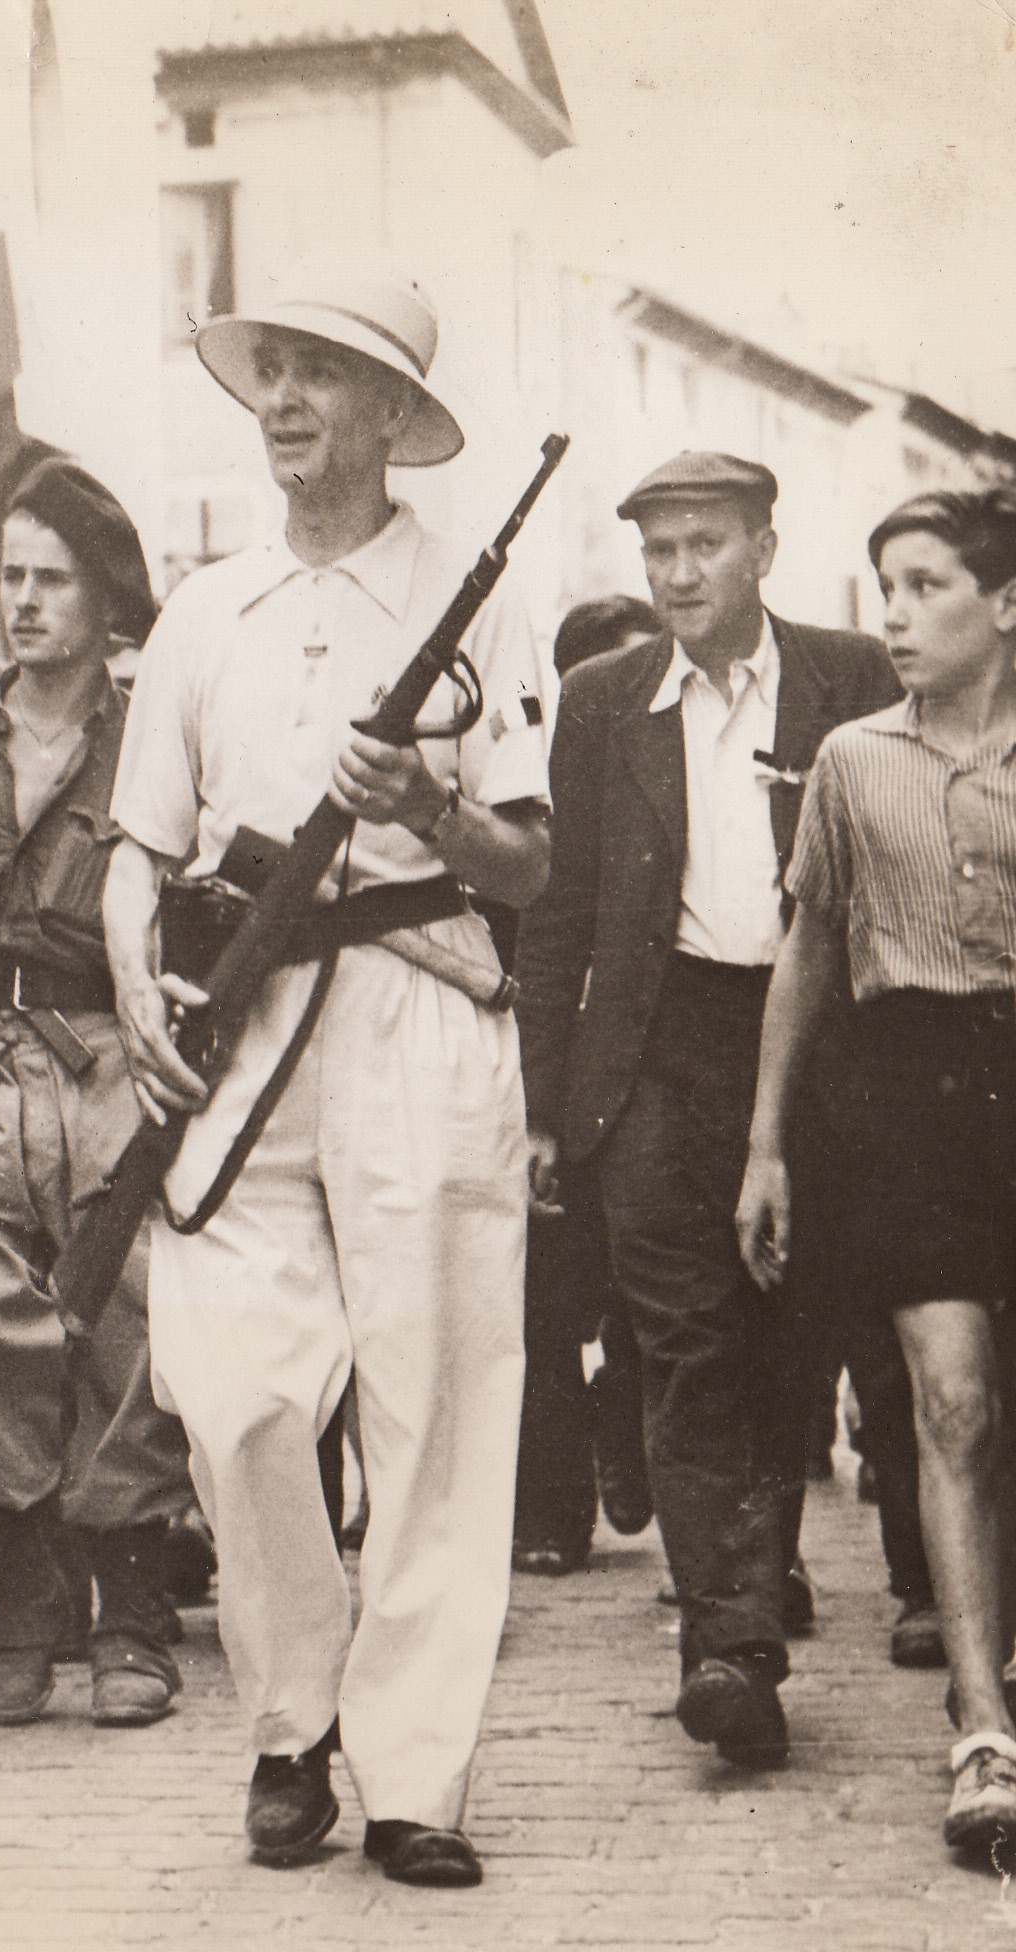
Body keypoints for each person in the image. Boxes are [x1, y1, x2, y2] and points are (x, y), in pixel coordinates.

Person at [105, 268, 552, 1888]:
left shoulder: (475, 598)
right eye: (273, 371)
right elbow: (137, 845)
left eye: (324, 375)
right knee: (235, 1392)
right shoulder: (204, 610)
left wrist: (427, 809)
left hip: (421, 1009)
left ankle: (416, 1772)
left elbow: (527, 863)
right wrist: (131, 984)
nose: (285, 401)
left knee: (436, 1394)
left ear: (392, 415)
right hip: (239, 1016)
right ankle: (293, 1718)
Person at [515, 453, 896, 1768]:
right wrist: (545, 1104)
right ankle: (727, 1644)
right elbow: (559, 910)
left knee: (791, 1332)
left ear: (764, 550)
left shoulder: (850, 678)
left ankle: (748, 1584)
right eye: (658, 550)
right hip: (656, 1047)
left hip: (815, 1045)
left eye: (704, 546)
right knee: (684, 1335)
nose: (677, 574)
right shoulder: (603, 699)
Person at [0, 458, 196, 1730]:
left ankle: (130, 1608)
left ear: (104, 592)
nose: (22, 600)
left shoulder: (155, 732)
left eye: (51, 578)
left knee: (130, 1317)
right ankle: (22, 1592)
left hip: (110, 1045)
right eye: (9, 574)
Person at [739, 486, 1016, 1855]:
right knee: (949, 1403)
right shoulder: (848, 761)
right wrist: (764, 1144)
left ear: (1005, 603)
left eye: (925, 586)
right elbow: (806, 948)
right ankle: (981, 1728)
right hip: (904, 1092)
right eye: (884, 588)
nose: (894, 616)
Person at [510, 594, 659, 1576]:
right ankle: (550, 1511)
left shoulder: (668, 786)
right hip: (549, 1066)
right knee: (541, 1294)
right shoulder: (528, 793)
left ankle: (628, 1414)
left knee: (648, 1286)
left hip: (643, 1069)